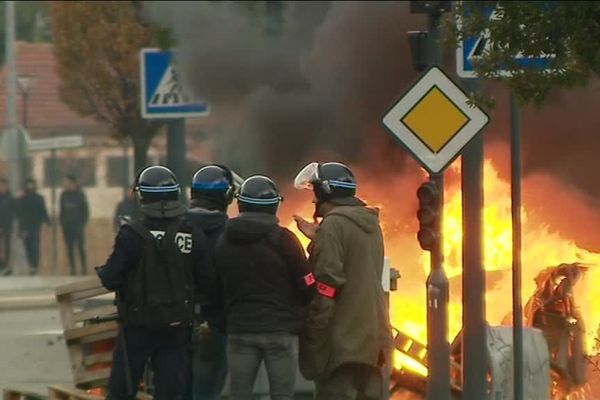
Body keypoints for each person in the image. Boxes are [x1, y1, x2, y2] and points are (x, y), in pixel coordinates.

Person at [96, 165, 212, 400]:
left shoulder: (131, 234)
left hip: (136, 327)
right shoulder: (192, 233)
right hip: (176, 328)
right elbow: (207, 280)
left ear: (142, 197)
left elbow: (110, 279)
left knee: (122, 390)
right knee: (171, 392)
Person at [293, 162, 392, 400]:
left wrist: (315, 333)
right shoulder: (371, 224)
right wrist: (318, 239)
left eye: (315, 192)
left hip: (342, 341)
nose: (313, 200)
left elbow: (328, 284)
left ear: (326, 191)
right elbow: (357, 266)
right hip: (373, 339)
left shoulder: (333, 225)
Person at [214, 175, 312, 400]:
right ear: (274, 205)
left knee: (240, 394)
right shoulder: (284, 239)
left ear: (240, 203)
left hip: (240, 330)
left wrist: (227, 319)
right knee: (282, 395)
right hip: (280, 332)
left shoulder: (225, 239)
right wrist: (297, 312)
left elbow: (215, 285)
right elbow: (307, 283)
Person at [186, 165, 235, 400]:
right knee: (208, 388)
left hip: (174, 321)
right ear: (226, 197)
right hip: (215, 323)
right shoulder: (231, 233)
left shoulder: (176, 227)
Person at [17, 178, 49, 275]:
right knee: (27, 247)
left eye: (32, 184)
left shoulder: (39, 198)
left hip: (35, 225)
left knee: (35, 246)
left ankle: (34, 266)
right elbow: (20, 213)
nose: (30, 186)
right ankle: (31, 265)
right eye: (28, 184)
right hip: (25, 227)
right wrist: (21, 228)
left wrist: (47, 221)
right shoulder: (22, 198)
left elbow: (43, 210)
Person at [60, 175, 89, 275]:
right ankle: (72, 269)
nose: (66, 184)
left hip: (78, 226)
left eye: (68, 182)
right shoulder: (64, 195)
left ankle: (84, 268)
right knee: (69, 248)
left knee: (80, 247)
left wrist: (82, 223)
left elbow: (85, 211)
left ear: (73, 183)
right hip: (67, 226)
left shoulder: (80, 195)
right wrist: (62, 223)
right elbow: (62, 211)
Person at [0, 179, 15, 275]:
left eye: (3, 186)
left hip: (7, 225)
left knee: (7, 247)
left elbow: (14, 212)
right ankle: (2, 266)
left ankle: (6, 266)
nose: (1, 188)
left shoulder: (10, 198)